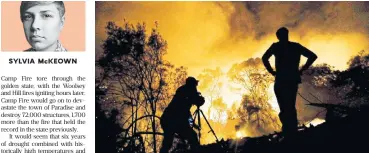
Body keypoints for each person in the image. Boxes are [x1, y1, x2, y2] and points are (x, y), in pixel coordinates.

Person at [262, 27, 317, 139]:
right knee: (290, 106)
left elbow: (264, 58)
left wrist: (272, 71)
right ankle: (291, 131)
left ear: (278, 36)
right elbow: (312, 56)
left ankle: (288, 131)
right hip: (292, 80)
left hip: (281, 80)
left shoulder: (276, 47)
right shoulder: (295, 46)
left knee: (284, 107)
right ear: (287, 35)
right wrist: (303, 69)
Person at [160, 77, 205, 153]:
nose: (195, 88)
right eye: (195, 85)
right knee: (192, 137)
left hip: (169, 120)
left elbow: (187, 113)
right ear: (192, 85)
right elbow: (196, 101)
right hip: (172, 121)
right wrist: (200, 99)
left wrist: (193, 124)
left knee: (168, 143)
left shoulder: (183, 92)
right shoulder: (186, 92)